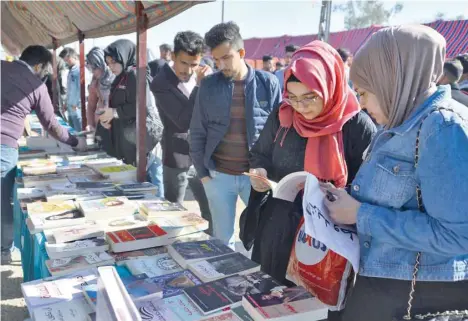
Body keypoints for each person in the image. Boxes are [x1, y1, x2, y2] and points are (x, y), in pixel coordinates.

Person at [320, 25, 468, 321]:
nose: (360, 103)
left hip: (417, 290)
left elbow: (457, 235)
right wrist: (345, 199)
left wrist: (360, 215)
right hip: (383, 278)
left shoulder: (441, 128)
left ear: (393, 80)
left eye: (363, 92)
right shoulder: (399, 119)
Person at [247, 41, 375, 296]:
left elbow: (369, 186)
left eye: (309, 97)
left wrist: (338, 193)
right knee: (272, 295)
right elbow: (260, 154)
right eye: (292, 97)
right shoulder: (283, 116)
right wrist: (259, 172)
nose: (301, 107)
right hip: (279, 225)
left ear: (330, 86)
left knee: (312, 300)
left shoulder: (356, 124)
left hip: (326, 234)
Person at [190, 21, 282, 248]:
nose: (221, 65)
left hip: (256, 178)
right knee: (222, 239)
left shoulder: (267, 83)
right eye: (216, 59)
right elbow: (197, 131)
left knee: (260, 236)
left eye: (226, 58)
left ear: (241, 53)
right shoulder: (209, 86)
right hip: (218, 177)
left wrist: (271, 175)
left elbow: (280, 132)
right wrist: (204, 175)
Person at [1, 45, 86, 262]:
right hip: (4, 146)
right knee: (2, 201)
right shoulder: (36, 86)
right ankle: (3, 249)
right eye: (44, 68)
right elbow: (52, 125)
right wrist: (76, 141)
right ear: (38, 66)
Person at [150, 31, 212, 229]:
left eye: (194, 64)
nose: (188, 70)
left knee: (210, 210)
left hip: (202, 156)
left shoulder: (203, 76)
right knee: (173, 212)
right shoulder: (161, 82)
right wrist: (199, 88)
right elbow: (182, 121)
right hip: (177, 157)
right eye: (184, 63)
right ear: (173, 56)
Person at [101, 39, 163, 170]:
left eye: (113, 62)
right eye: (108, 63)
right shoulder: (121, 75)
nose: (111, 66)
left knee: (141, 177)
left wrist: (114, 113)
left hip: (135, 138)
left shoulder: (134, 74)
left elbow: (141, 105)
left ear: (124, 56)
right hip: (125, 136)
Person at [85, 47, 116, 131]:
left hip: (115, 127)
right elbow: (91, 105)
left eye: (94, 68)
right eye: (90, 68)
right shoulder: (95, 81)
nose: (92, 72)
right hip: (99, 127)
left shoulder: (117, 78)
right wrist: (90, 124)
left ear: (102, 64)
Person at [59, 47, 82, 131]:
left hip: (77, 107)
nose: (67, 62)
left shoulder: (80, 70)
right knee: (73, 132)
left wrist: (76, 104)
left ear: (74, 56)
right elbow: (69, 90)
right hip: (70, 107)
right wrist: (66, 103)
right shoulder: (71, 70)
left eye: (68, 60)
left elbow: (81, 90)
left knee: (79, 133)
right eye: (65, 61)